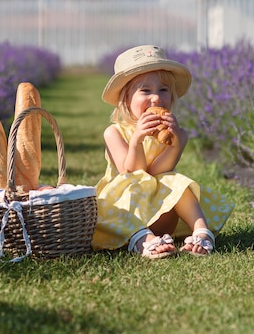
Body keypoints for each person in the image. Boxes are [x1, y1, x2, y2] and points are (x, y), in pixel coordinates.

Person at [92, 45, 233, 259]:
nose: (156, 98)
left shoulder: (178, 135)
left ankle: (201, 231)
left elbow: (158, 171)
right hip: (126, 209)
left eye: (163, 90)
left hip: (162, 215)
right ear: (125, 99)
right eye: (145, 91)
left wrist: (175, 143)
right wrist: (137, 140)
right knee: (126, 189)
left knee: (176, 180)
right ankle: (142, 239)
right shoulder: (114, 132)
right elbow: (131, 171)